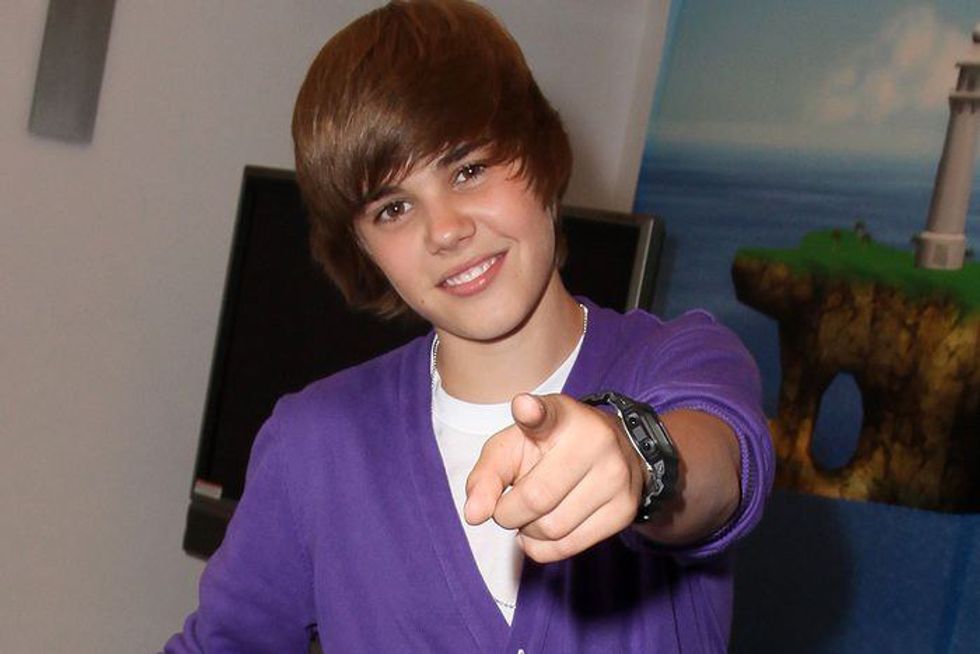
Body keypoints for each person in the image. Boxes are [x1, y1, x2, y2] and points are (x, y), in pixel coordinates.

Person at [164, 1, 773, 651]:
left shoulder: (681, 358)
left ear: (540, 153)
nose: (447, 230)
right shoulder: (314, 444)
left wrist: (638, 456)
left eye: (469, 170)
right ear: (362, 248)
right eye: (394, 208)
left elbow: (719, 466)